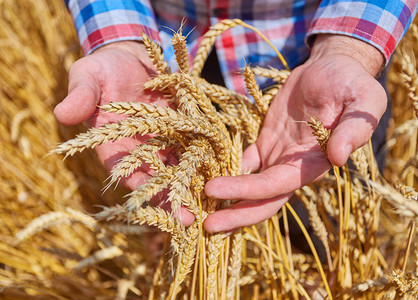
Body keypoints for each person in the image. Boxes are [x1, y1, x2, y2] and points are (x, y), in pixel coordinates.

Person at [55, 0, 417, 233]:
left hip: (320, 42)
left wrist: (348, 48)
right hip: (168, 59)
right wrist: (119, 39)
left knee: (332, 207)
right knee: (192, 204)